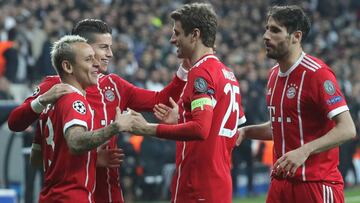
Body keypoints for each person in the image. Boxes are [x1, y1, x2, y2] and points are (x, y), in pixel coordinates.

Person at [8, 19, 188, 203]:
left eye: (110, 47)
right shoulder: (55, 87)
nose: (109, 54)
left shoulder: (114, 86)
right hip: (70, 194)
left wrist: (185, 68)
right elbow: (16, 123)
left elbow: (160, 100)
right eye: (103, 47)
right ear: (82, 47)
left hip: (106, 193)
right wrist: (41, 100)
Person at [125, 3, 246, 203]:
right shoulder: (227, 73)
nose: (173, 40)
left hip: (197, 185)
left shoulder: (201, 72)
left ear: (195, 35)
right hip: (218, 181)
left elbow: (200, 129)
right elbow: (218, 125)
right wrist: (181, 118)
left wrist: (147, 128)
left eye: (177, 33)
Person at [236, 5, 356, 203]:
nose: (266, 36)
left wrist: (304, 150)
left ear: (296, 36)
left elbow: (347, 128)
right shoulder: (273, 75)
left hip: (315, 183)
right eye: (267, 28)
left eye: (275, 30)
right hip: (281, 184)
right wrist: (247, 132)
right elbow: (281, 125)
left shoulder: (317, 74)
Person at [32, 35, 131, 202]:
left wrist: (91, 159)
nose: (97, 64)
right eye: (88, 59)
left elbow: (35, 158)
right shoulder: (75, 100)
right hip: (71, 197)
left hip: (49, 196)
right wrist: (115, 127)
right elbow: (76, 142)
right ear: (68, 67)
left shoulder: (49, 105)